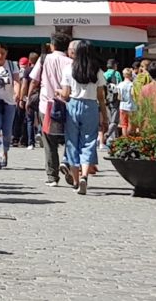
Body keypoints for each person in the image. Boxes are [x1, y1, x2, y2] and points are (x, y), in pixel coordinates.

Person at [59, 41, 103, 196]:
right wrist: (104, 114)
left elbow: (65, 94)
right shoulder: (96, 70)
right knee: (89, 141)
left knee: (72, 142)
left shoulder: (68, 69)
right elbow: (101, 96)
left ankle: (76, 181)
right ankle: (84, 175)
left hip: (73, 105)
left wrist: (58, 93)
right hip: (91, 106)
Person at [34, 40, 72, 188]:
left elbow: (35, 79)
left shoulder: (44, 59)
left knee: (49, 142)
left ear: (52, 45)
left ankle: (52, 176)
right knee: (70, 138)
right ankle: (68, 163)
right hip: (66, 105)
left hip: (47, 105)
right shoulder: (70, 62)